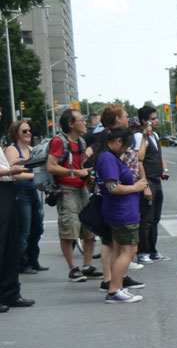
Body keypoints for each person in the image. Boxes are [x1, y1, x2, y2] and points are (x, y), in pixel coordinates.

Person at [47, 109, 103, 282]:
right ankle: (73, 269)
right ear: (71, 124)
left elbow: (81, 164)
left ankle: (87, 266)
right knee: (69, 230)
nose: (85, 122)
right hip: (67, 190)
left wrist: (86, 174)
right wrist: (76, 172)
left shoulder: (80, 141)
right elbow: (51, 166)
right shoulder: (59, 141)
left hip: (82, 188)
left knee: (89, 228)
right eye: (81, 120)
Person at [94, 126, 147, 304]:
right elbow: (112, 187)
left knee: (118, 251)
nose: (126, 151)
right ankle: (115, 289)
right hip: (122, 213)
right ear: (118, 142)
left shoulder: (108, 156)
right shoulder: (108, 158)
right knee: (129, 251)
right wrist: (136, 187)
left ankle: (116, 287)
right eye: (125, 147)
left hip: (120, 211)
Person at [0, 122, 35, 310]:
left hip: (7, 188)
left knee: (11, 245)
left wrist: (9, 166)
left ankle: (11, 293)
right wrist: (8, 171)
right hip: (3, 187)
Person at [7, 120, 46, 275]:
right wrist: (33, 176)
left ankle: (33, 260)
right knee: (24, 230)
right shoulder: (12, 150)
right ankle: (22, 264)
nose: (29, 133)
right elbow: (13, 172)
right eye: (24, 131)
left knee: (38, 228)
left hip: (32, 191)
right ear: (16, 133)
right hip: (20, 192)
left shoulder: (31, 149)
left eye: (29, 130)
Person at [136, 105, 170, 263]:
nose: (157, 121)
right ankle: (143, 251)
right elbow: (139, 160)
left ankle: (153, 249)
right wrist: (145, 185)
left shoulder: (155, 136)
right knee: (146, 219)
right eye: (153, 119)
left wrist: (164, 169)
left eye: (157, 118)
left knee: (155, 218)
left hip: (157, 180)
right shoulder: (139, 137)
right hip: (147, 180)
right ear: (144, 121)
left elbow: (159, 154)